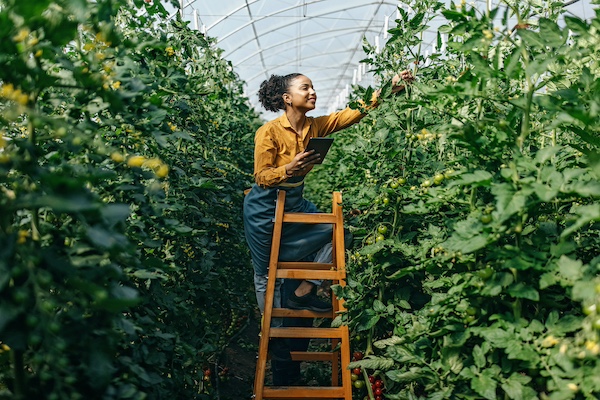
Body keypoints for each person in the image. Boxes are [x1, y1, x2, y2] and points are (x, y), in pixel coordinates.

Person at [243, 70, 413, 385]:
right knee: (269, 276)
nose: (312, 92)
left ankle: (304, 288)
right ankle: (282, 366)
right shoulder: (268, 132)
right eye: (304, 88)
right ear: (286, 97)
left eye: (312, 87)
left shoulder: (315, 126)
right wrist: (287, 169)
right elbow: (261, 176)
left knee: (339, 232)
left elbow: (352, 113)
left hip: (294, 204)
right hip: (265, 210)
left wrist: (388, 90)